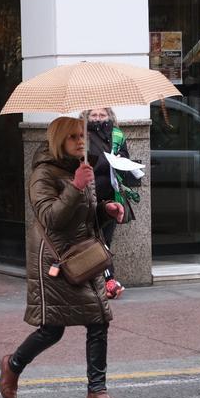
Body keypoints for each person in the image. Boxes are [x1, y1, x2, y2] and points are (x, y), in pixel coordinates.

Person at [0, 116, 128, 398]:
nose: (81, 142)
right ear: (59, 141)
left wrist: (105, 209)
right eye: (72, 137)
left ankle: (97, 392)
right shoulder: (42, 174)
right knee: (52, 329)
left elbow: (85, 214)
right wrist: (75, 187)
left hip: (83, 256)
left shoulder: (82, 166)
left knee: (98, 320)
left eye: (81, 136)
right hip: (56, 260)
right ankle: (12, 364)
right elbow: (51, 219)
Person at [80, 107, 142, 299]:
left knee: (105, 239)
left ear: (109, 116)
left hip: (111, 196)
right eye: (94, 115)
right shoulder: (81, 135)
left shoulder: (116, 134)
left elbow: (125, 156)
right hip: (88, 195)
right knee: (92, 239)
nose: (98, 118)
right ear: (87, 117)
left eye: (102, 115)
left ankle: (104, 281)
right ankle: (107, 280)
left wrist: (120, 160)